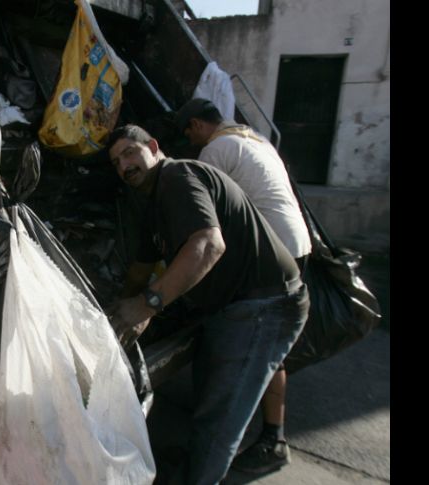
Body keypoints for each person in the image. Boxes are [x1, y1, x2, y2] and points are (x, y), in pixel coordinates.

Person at [106, 124, 309, 485]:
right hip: (231, 305)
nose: (124, 166)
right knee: (210, 395)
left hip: (265, 305)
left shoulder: (178, 176)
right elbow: (139, 270)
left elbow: (208, 244)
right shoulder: (152, 203)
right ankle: (193, 467)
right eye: (117, 162)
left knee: (220, 415)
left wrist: (148, 305)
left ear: (153, 147)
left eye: (130, 152)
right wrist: (110, 315)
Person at [174, 98, 312, 474]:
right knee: (271, 353)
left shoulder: (216, 148)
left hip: (269, 252)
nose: (192, 142)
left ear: (198, 126)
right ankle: (273, 435)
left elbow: (203, 217)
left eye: (189, 133)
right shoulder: (256, 139)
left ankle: (220, 445)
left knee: (240, 346)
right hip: (296, 245)